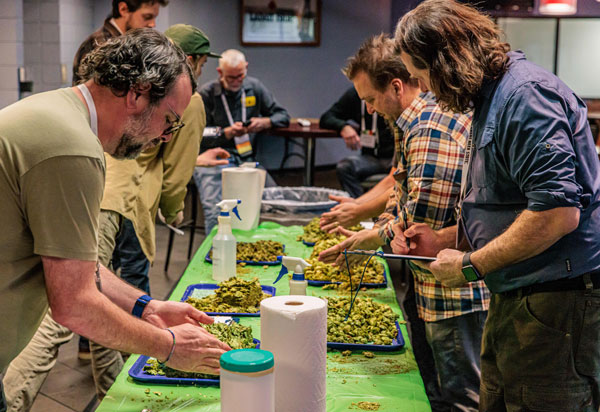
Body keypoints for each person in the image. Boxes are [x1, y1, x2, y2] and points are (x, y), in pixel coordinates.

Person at [0, 29, 231, 412]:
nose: (163, 137)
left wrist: (147, 307)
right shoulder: (73, 148)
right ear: (138, 93)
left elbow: (78, 268)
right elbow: (74, 304)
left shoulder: (60, 112)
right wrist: (169, 347)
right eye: (169, 121)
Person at [395, 0, 600, 410]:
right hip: (516, 293)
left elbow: (558, 213)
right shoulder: (489, 100)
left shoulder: (524, 97)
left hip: (556, 302)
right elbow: (509, 206)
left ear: (446, 59)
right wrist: (444, 239)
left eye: (423, 76)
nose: (428, 90)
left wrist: (471, 264)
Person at [319, 34, 489, 411]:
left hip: (453, 296)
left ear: (396, 85)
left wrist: (369, 239)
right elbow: (400, 192)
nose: (371, 109)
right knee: (434, 389)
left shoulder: (428, 129)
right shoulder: (409, 123)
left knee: (460, 397)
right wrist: (376, 229)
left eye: (371, 100)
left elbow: (419, 230)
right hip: (431, 286)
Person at [197, 49, 290, 233]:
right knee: (217, 209)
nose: (236, 81)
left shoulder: (254, 87)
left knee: (276, 200)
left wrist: (265, 122)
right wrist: (225, 132)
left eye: (240, 76)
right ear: (220, 73)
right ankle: (216, 251)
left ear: (246, 68)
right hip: (213, 159)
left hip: (246, 158)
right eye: (231, 78)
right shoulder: (207, 94)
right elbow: (199, 133)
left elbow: (283, 116)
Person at [320, 86, 395, 198]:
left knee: (400, 172)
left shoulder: (390, 93)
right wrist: (343, 127)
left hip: (395, 157)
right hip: (371, 158)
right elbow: (327, 117)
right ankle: (358, 207)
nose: (370, 108)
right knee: (345, 167)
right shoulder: (356, 93)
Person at [72, 0, 168, 85]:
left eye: (154, 18)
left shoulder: (130, 44)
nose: (153, 24)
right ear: (123, 9)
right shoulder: (100, 46)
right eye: (147, 17)